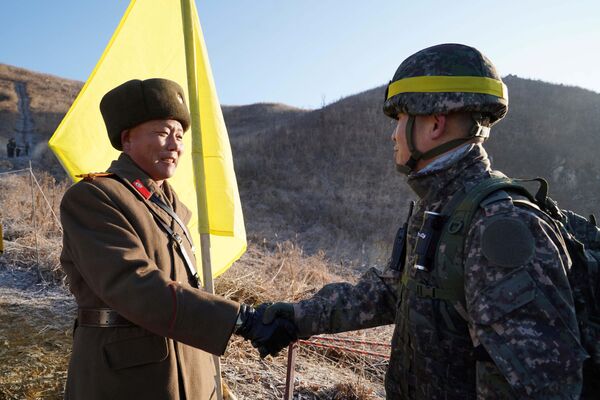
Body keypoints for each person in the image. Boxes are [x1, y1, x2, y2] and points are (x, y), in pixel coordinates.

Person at [258, 44, 588, 399]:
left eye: (400, 119)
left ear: (434, 122)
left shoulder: (499, 226)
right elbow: (391, 292)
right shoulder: (441, 210)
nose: (394, 133)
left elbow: (539, 388)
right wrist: (295, 317)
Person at [59, 78, 296, 400]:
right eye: (161, 133)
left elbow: (185, 288)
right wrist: (240, 319)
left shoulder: (173, 206)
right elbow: (132, 284)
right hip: (128, 378)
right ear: (127, 139)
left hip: (191, 365)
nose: (175, 145)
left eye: (180, 135)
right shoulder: (94, 197)